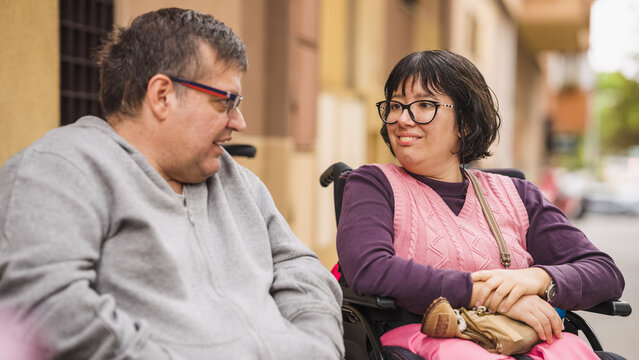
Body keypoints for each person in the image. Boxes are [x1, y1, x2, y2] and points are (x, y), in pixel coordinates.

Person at [0, 8, 344, 359]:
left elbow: (302, 269)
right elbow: (45, 306)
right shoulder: (60, 169)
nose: (239, 122)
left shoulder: (237, 181)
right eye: (225, 101)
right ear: (162, 95)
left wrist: (317, 346)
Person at [336, 50, 625, 360]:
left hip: (518, 335)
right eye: (396, 105)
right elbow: (370, 268)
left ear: (465, 123)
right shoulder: (373, 184)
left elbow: (605, 272)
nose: (402, 119)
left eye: (424, 105)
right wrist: (489, 296)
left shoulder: (517, 194)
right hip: (425, 337)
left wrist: (540, 279)